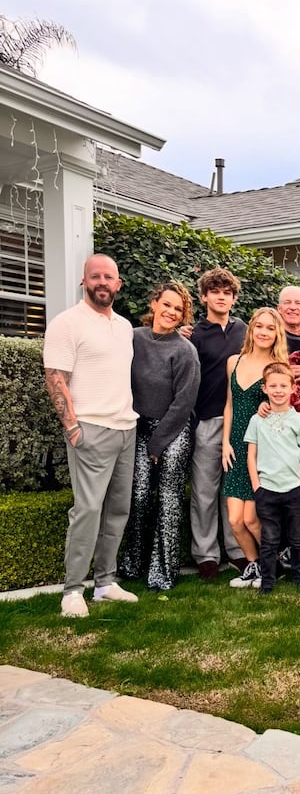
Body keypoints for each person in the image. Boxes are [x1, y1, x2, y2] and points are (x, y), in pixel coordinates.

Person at [43, 253, 139, 617]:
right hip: (91, 430)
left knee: (117, 511)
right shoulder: (67, 323)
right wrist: (71, 426)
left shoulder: (124, 327)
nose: (102, 282)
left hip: (126, 429)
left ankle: (105, 583)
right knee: (87, 510)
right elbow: (56, 377)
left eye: (108, 276)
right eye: (95, 276)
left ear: (118, 284)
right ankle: (72, 591)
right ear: (85, 282)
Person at [119, 281, 200, 591]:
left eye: (178, 309)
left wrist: (157, 443)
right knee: (138, 495)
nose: (171, 312)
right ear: (154, 303)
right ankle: (132, 563)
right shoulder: (133, 339)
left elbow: (184, 403)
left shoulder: (185, 350)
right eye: (166, 304)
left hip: (173, 429)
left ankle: (162, 573)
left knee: (168, 498)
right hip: (137, 427)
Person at [187, 266, 248, 580]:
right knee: (205, 491)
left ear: (234, 298)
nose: (221, 297)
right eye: (215, 292)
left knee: (233, 490)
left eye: (227, 293)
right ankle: (206, 555)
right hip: (207, 420)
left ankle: (236, 550)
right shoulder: (194, 334)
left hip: (239, 421)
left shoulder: (244, 331)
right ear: (204, 296)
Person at [223, 308, 289, 589]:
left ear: (277, 334)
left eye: (270, 328)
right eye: (259, 326)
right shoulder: (233, 362)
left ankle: (274, 563)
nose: (264, 332)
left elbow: (285, 404)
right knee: (235, 520)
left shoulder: (278, 366)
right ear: (251, 329)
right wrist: (225, 442)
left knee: (252, 519)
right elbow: (229, 404)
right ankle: (254, 566)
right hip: (234, 445)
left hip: (261, 448)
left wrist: (269, 405)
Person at [245, 361, 300, 594]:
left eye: (284, 385)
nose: (278, 390)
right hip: (267, 488)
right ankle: (268, 583)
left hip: (293, 488)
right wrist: (257, 486)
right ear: (264, 389)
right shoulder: (257, 420)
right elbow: (251, 455)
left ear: (293, 388)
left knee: (297, 538)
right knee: (269, 539)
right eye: (273, 385)